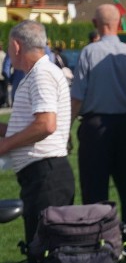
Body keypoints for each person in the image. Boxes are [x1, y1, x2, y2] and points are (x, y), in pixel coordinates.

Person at [70, 4, 126, 263]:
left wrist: (67, 128)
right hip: (125, 125)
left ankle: (98, 243)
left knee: (94, 188)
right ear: (118, 22)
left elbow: (78, 97)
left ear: (96, 23)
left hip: (95, 127)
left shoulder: (89, 53)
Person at [0, 20, 74, 243]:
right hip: (42, 174)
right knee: (41, 250)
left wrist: (5, 145)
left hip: (46, 175)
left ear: (16, 45)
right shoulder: (37, 74)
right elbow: (30, 126)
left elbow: (45, 124)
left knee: (47, 252)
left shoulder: (42, 74)